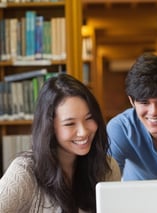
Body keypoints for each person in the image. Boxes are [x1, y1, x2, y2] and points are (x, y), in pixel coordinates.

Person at [0, 74, 121, 212]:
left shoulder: (107, 168)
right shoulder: (24, 172)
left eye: (89, 118)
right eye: (70, 123)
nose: (83, 132)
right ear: (50, 128)